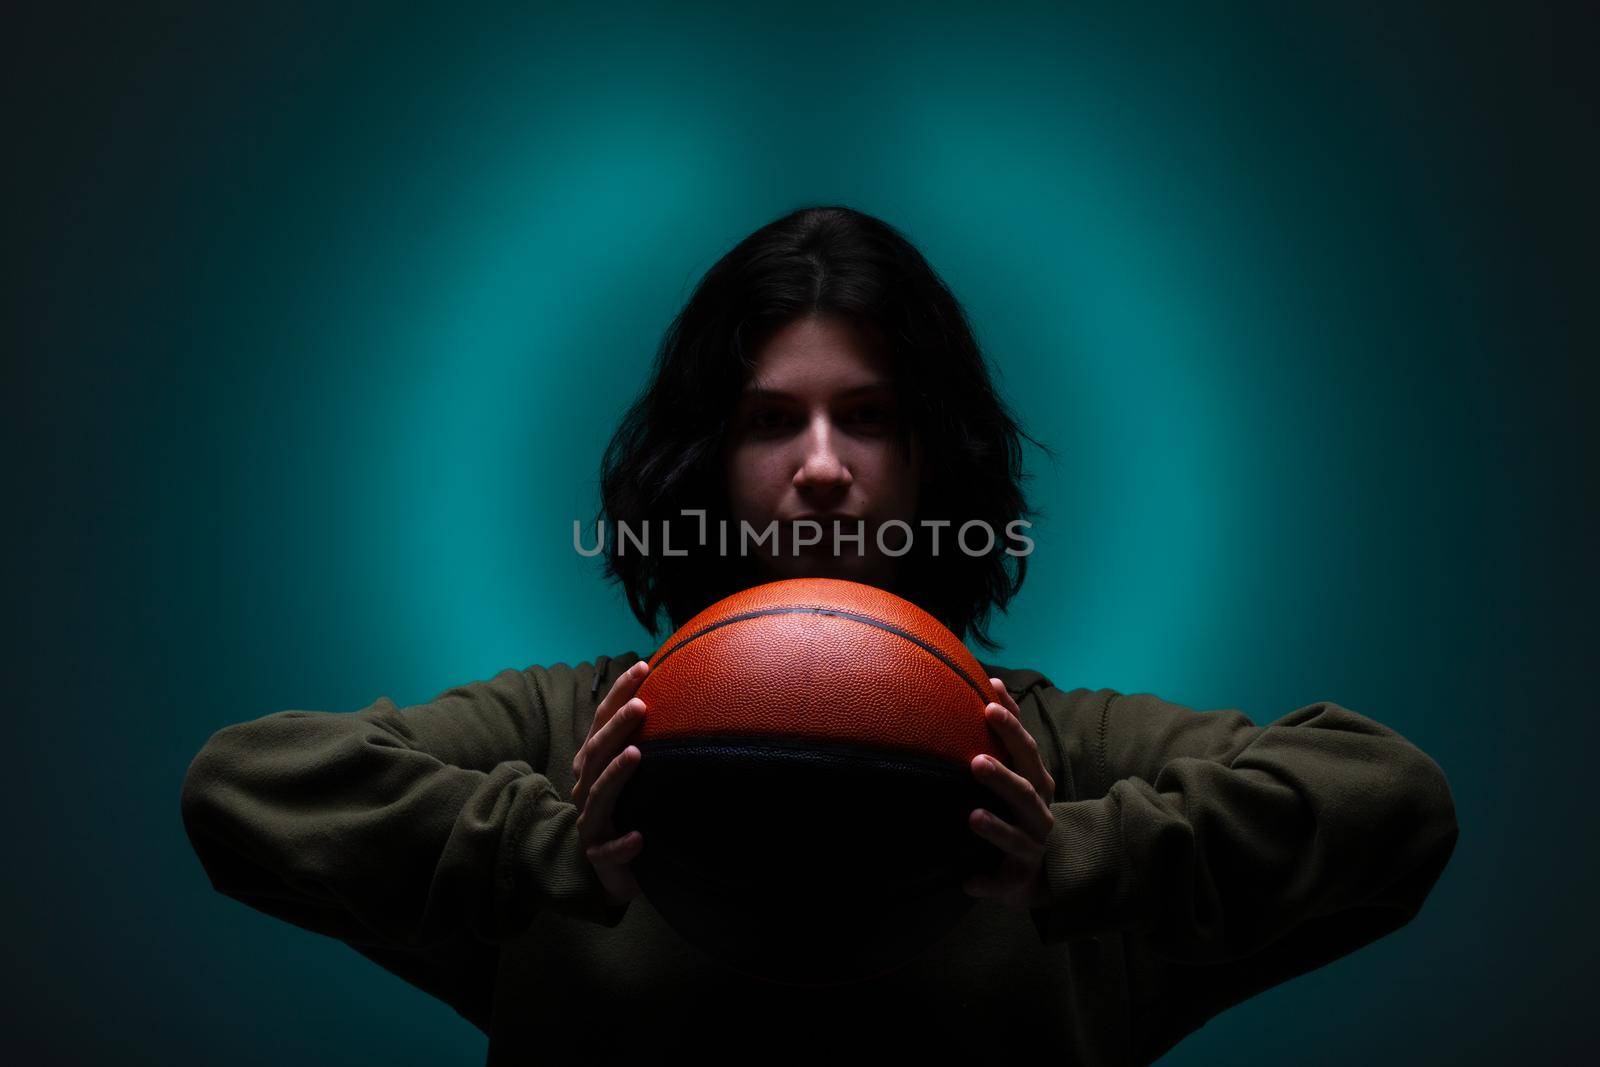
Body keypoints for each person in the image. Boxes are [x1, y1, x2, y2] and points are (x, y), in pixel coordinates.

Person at [180, 205, 1459, 1063]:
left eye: (871, 417)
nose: (823, 466)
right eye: (768, 420)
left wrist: (1088, 857)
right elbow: (242, 786)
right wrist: (537, 848)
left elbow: (1393, 799)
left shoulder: (1042, 760)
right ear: (705, 460)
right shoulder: (585, 739)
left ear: (931, 459)